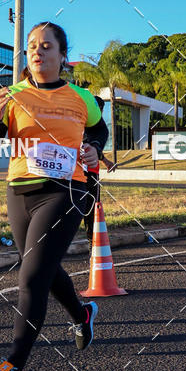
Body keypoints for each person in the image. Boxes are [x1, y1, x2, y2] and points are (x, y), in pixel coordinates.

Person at [0, 22, 108, 371]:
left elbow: (98, 131)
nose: (37, 51)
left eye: (47, 46)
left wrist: (94, 149)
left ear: (63, 56)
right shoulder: (11, 95)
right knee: (43, 270)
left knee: (32, 276)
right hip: (20, 192)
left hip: (67, 191)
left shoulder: (82, 98)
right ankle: (82, 313)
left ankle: (12, 369)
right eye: (32, 45)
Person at [83, 96, 116, 253]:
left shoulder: (99, 128)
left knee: (92, 211)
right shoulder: (83, 124)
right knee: (86, 210)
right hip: (81, 174)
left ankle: (93, 246)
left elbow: (96, 150)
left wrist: (106, 161)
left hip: (92, 173)